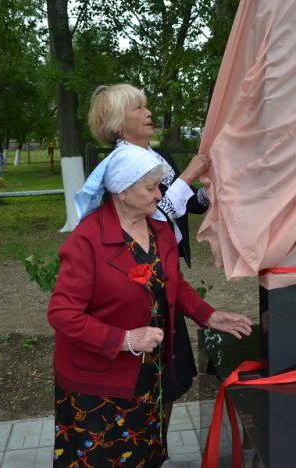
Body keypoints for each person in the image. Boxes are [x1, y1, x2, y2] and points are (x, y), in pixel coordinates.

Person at [48, 144, 252, 467]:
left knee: (143, 454)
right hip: (98, 385)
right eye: (151, 187)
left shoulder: (158, 230)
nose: (160, 196)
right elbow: (62, 314)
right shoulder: (87, 239)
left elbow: (173, 282)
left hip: (147, 374)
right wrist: (125, 339)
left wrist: (208, 316)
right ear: (123, 191)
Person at [87, 83, 209, 439]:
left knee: (167, 381)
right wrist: (187, 176)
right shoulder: (117, 167)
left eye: (146, 106)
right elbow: (156, 220)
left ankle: (159, 452)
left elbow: (185, 205)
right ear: (118, 124)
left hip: (163, 281)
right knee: (145, 379)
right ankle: (144, 452)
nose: (148, 112)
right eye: (138, 108)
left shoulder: (157, 157)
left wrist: (211, 191)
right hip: (137, 286)